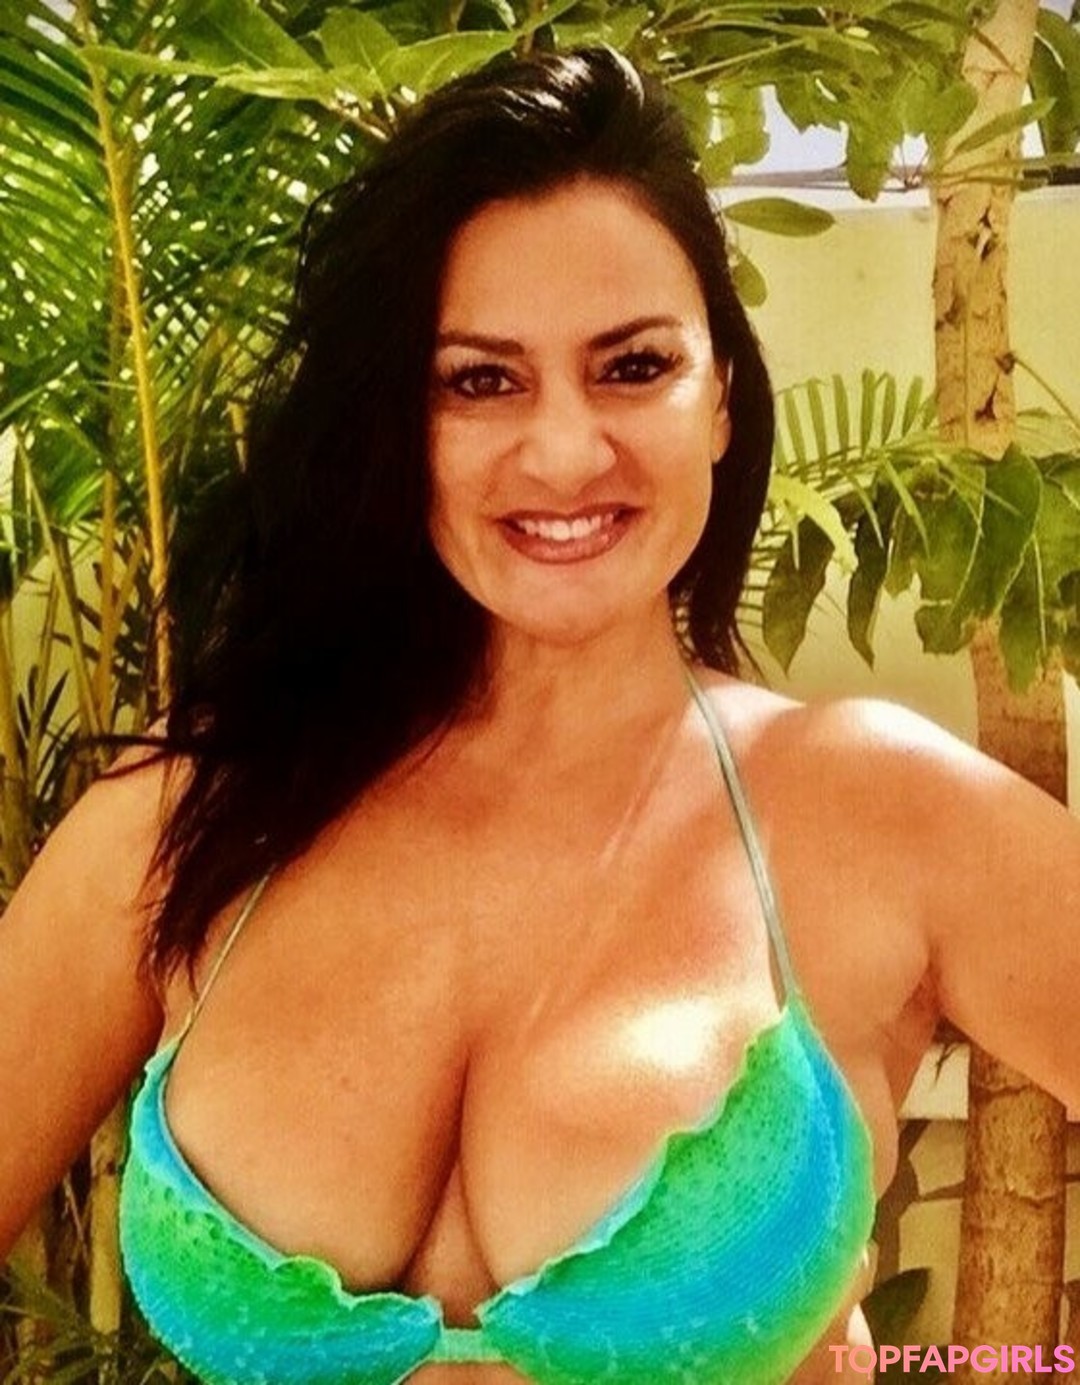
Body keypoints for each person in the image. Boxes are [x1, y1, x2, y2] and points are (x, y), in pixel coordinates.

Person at [0, 45, 1077, 1385]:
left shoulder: (882, 809)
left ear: (720, 397)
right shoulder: (187, 822)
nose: (566, 450)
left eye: (633, 366)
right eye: (481, 380)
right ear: (398, 422)